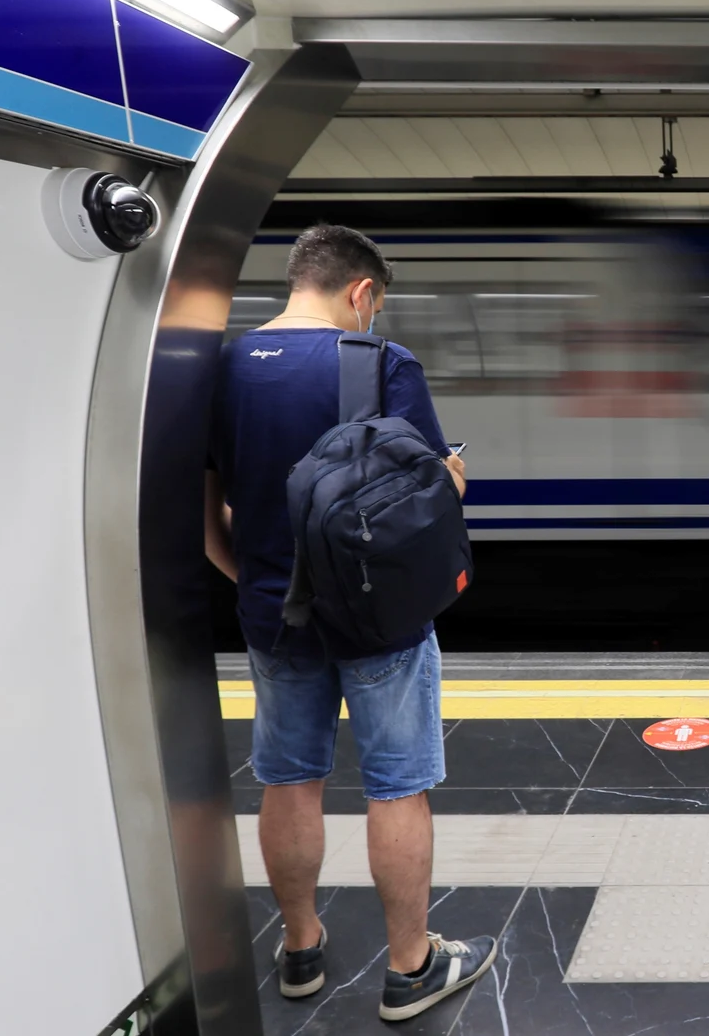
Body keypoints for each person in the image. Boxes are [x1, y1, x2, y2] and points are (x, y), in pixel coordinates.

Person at [204, 225, 495, 1023]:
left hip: (272, 615)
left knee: (288, 777)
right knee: (398, 787)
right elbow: (433, 500)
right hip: (378, 619)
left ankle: (300, 946)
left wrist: (263, 588)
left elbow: (209, 520)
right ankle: (410, 969)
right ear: (362, 293)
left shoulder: (222, 368)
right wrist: (456, 472)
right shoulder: (378, 363)